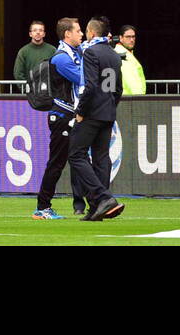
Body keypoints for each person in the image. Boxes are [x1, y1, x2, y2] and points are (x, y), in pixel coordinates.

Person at [67, 16, 124, 221]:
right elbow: (118, 89)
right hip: (108, 112)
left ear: (91, 33)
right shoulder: (114, 55)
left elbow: (90, 86)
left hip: (91, 112)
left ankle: (102, 197)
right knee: (101, 157)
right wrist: (110, 106)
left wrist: (81, 111)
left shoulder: (91, 52)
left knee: (76, 154)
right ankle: (97, 208)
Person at [34, 16, 89, 219]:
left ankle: (95, 200)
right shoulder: (61, 58)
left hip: (69, 114)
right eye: (78, 30)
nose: (81, 34)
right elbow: (82, 78)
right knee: (56, 162)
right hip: (62, 115)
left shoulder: (74, 53)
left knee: (78, 158)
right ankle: (42, 207)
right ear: (68, 34)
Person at [113, 22, 145, 95]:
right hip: (130, 100)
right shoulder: (122, 54)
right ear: (120, 38)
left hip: (127, 98)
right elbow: (131, 80)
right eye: (128, 37)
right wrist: (140, 98)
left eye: (133, 37)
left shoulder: (126, 53)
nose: (131, 40)